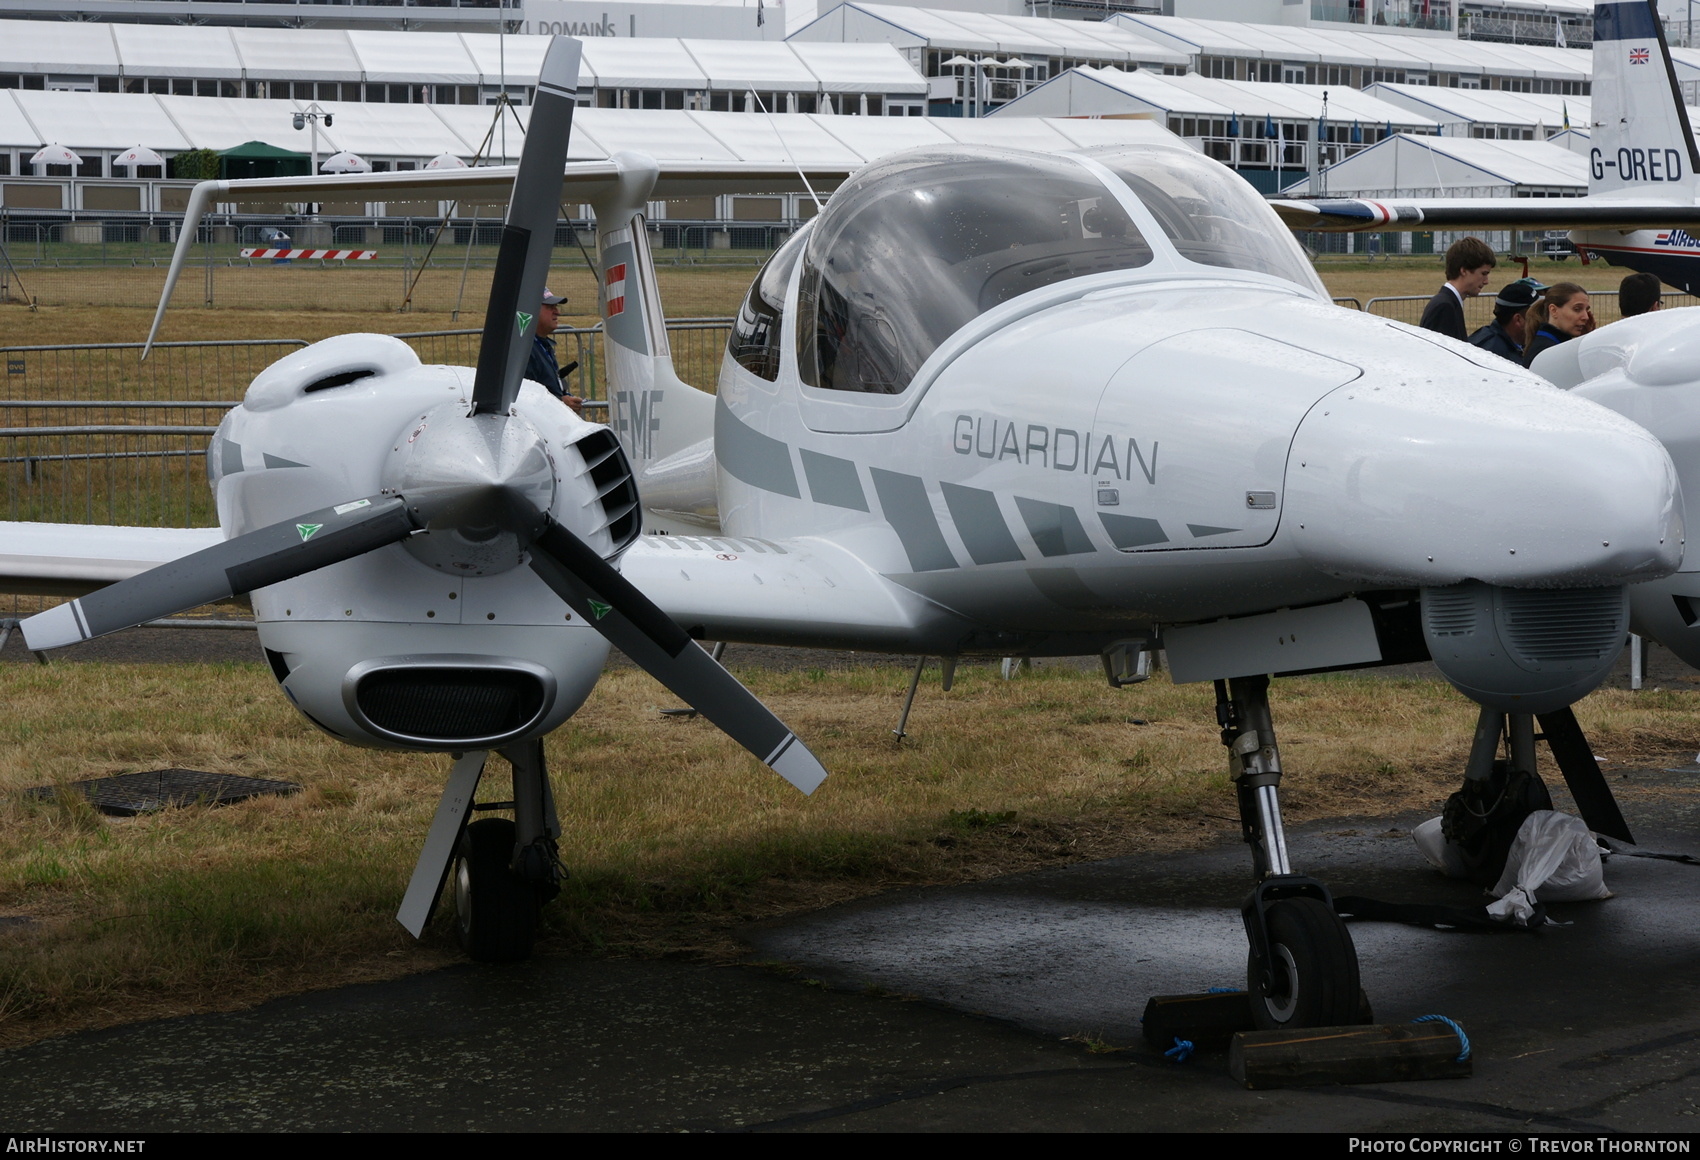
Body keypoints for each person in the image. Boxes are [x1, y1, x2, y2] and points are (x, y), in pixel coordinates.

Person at [1419, 237, 1497, 342]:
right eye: (1483, 274)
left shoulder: (1448, 303)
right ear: (1464, 270)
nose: (1486, 281)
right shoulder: (1444, 307)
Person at [526, 288, 584, 415]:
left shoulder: (541, 344)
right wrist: (560, 402)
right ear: (531, 309)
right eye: (550, 307)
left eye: (556, 307)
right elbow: (524, 397)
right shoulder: (524, 350)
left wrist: (565, 397)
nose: (557, 312)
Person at [1467, 276, 1546, 363]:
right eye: (1537, 314)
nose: (1542, 319)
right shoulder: (1491, 355)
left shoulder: (1510, 344)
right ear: (1518, 320)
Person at [1521, 283, 1593, 367]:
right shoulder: (1546, 351)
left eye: (1586, 310)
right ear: (1553, 310)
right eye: (1577, 309)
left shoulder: (1555, 344)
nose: (1586, 317)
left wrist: (1585, 342)